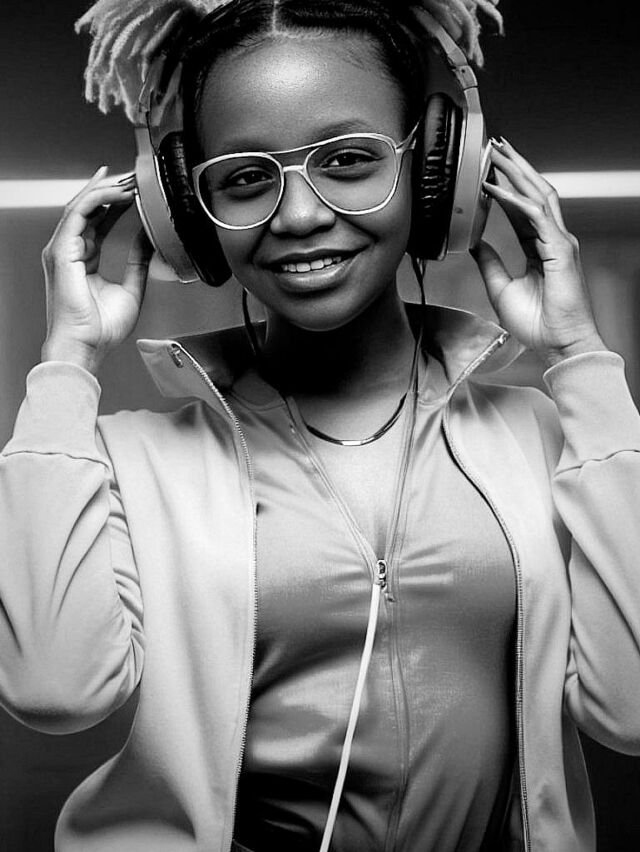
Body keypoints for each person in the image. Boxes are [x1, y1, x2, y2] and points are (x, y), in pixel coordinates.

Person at [2, 0, 640, 850]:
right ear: (185, 214)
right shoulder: (127, 460)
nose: (298, 215)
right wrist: (66, 362)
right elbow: (55, 691)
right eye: (244, 178)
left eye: (347, 160)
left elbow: (631, 709)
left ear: (438, 174)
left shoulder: (545, 438)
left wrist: (581, 354)